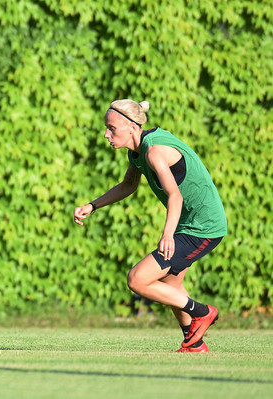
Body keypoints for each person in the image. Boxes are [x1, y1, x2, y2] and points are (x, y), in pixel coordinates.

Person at [74, 99, 227, 353]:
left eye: (112, 128)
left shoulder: (153, 151)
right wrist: (92, 205)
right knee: (169, 285)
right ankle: (194, 343)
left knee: (137, 279)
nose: (106, 134)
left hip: (204, 227)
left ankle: (203, 312)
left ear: (133, 127)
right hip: (189, 224)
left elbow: (175, 196)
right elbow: (128, 186)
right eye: (106, 127)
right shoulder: (136, 153)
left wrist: (168, 235)